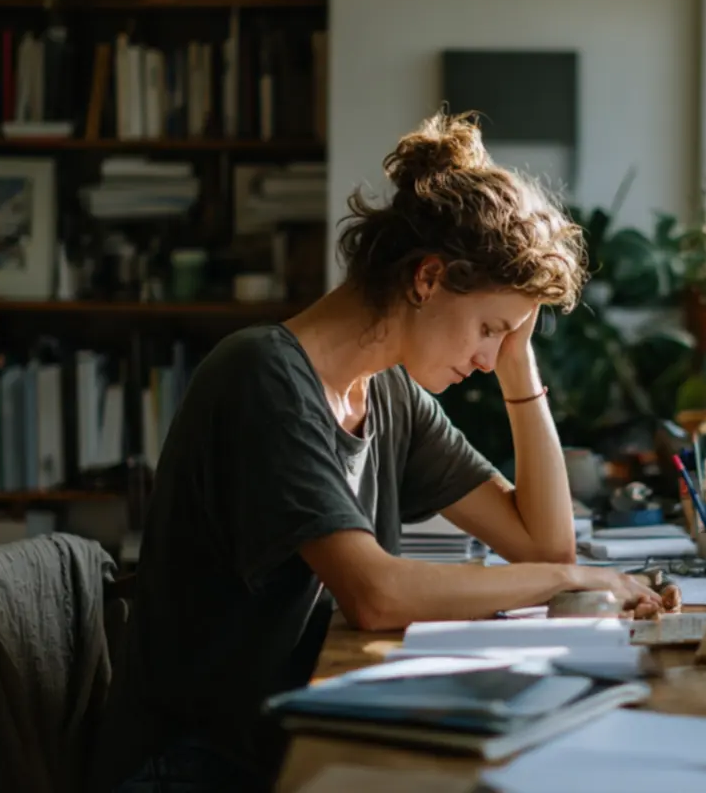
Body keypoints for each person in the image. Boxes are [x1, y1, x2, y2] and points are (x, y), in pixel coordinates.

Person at [91, 110, 661, 793]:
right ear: (426, 279)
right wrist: (574, 585)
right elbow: (376, 593)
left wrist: (520, 361)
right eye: (487, 329)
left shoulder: (386, 394)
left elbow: (544, 547)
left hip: (292, 733)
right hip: (192, 767)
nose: (486, 357)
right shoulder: (263, 378)